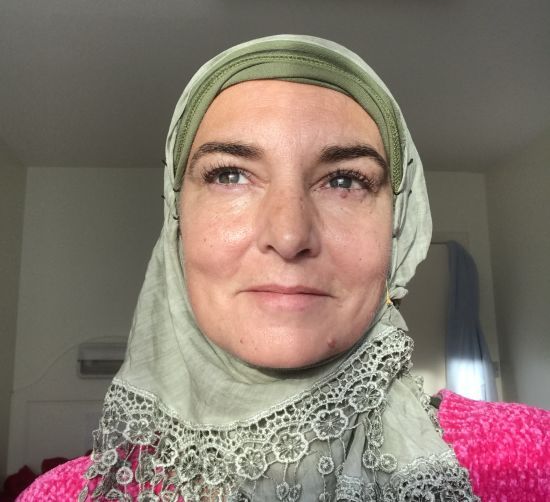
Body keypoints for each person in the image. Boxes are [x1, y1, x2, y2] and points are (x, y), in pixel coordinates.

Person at [17, 36, 549, 501]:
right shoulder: (60, 496)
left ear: (399, 228)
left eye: (344, 180)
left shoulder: (529, 460)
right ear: (176, 224)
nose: (290, 236)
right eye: (229, 175)